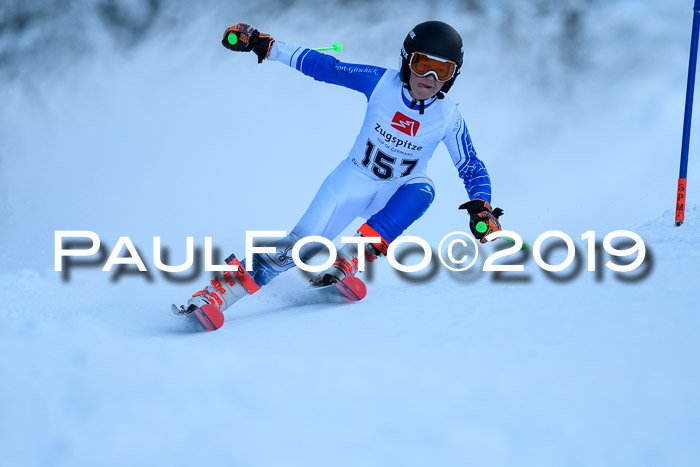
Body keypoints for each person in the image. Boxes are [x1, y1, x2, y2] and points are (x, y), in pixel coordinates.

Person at [176, 20, 503, 315]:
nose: (429, 79)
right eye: (422, 65)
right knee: (299, 246)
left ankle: (348, 261)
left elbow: (471, 165)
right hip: (353, 179)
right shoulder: (380, 83)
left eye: (442, 71)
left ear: (453, 76)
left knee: (424, 189)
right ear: (406, 61)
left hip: (397, 190)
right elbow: (327, 67)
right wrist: (268, 46)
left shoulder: (448, 116)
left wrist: (482, 205)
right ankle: (216, 295)